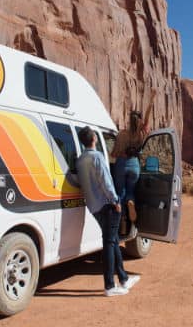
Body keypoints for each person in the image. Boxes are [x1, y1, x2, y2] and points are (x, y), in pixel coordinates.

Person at [76, 126, 140, 297]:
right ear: (94, 138)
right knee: (109, 243)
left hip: (93, 207)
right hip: (107, 205)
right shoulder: (97, 156)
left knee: (113, 240)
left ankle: (124, 278)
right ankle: (110, 286)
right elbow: (105, 181)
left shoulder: (80, 159)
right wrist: (115, 201)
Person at [111, 88, 156, 226]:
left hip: (122, 163)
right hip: (134, 164)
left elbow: (114, 153)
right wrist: (151, 100)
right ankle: (131, 203)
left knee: (120, 191)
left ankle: (122, 219)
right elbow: (147, 118)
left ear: (129, 120)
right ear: (140, 120)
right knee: (130, 191)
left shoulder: (122, 134)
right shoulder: (142, 133)